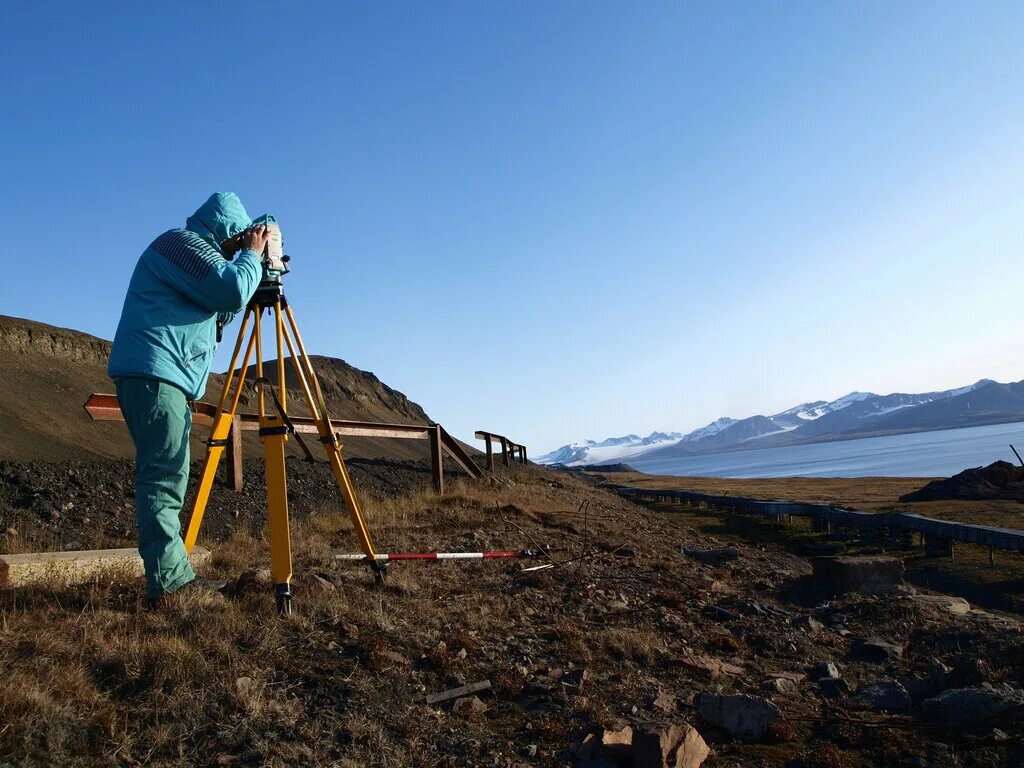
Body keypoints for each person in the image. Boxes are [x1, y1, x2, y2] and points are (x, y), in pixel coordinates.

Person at [108, 192, 270, 606]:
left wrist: (259, 268)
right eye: (239, 240)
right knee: (163, 480)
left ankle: (174, 575)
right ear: (227, 230)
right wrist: (252, 256)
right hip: (156, 373)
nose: (239, 248)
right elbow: (230, 289)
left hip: (157, 374)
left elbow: (222, 305)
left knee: (167, 477)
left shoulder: (194, 255)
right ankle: (170, 587)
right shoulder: (181, 244)